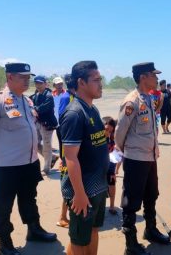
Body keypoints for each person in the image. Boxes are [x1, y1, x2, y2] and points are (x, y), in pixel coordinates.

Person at [0, 63, 57, 255]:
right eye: (23, 77)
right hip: (7, 165)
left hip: (29, 162)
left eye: (29, 77)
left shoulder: (27, 101)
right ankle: (5, 243)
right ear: (10, 77)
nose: (28, 81)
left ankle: (33, 230)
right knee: (4, 204)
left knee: (29, 198)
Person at [115, 62, 171, 255]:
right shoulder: (132, 101)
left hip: (150, 157)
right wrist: (128, 152)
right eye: (153, 75)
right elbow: (119, 133)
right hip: (136, 159)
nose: (156, 79)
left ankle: (151, 230)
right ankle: (130, 243)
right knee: (131, 201)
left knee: (151, 194)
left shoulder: (148, 97)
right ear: (143, 77)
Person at [60, 61, 109, 255]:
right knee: (79, 239)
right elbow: (71, 158)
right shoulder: (74, 113)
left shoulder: (93, 110)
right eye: (96, 80)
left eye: (100, 79)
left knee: (93, 230)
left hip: (98, 185)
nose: (101, 84)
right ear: (81, 82)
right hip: (82, 190)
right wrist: (79, 194)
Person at [57, 74, 75, 228]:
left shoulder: (75, 96)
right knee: (68, 182)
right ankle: (62, 217)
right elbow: (63, 122)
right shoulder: (65, 97)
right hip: (68, 147)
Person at [30, 75, 59, 175]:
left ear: (45, 84)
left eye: (40, 83)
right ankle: (53, 157)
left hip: (47, 125)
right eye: (36, 83)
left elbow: (42, 109)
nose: (38, 85)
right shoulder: (36, 94)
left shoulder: (49, 96)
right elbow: (29, 102)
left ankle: (47, 169)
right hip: (38, 123)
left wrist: (33, 108)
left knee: (47, 146)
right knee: (34, 143)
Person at [102, 116, 121, 215]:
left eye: (110, 131)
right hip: (99, 167)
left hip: (110, 165)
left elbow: (116, 155)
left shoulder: (113, 139)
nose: (108, 133)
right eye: (106, 130)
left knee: (112, 183)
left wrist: (114, 171)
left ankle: (112, 206)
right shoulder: (97, 139)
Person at [52, 76, 66, 161]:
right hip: (57, 123)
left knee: (66, 142)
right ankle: (62, 159)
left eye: (61, 84)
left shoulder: (66, 94)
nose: (60, 86)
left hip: (65, 122)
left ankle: (66, 160)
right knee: (60, 142)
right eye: (58, 84)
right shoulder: (51, 95)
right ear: (54, 85)